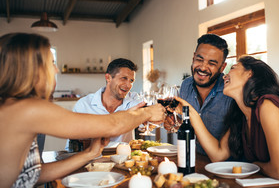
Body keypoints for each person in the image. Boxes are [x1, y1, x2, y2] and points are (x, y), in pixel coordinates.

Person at [0, 32, 165, 188]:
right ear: (29, 69)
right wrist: (147, 112)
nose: (56, 70)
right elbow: (112, 125)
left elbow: (32, 175)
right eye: (51, 63)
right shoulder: (26, 110)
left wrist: (89, 154)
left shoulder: (13, 107)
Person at [177, 56, 279, 187]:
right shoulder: (241, 115)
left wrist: (253, 166)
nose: (224, 76)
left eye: (233, 68)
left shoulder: (268, 106)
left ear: (250, 73)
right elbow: (218, 155)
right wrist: (191, 113)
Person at [65, 58, 142, 150]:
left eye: (131, 81)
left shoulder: (133, 99)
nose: (128, 85)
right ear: (108, 78)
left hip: (123, 160)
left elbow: (147, 114)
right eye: (124, 78)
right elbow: (71, 145)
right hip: (90, 160)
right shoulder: (84, 104)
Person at [179, 34, 234, 155]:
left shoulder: (230, 93)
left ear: (222, 67)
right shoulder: (185, 86)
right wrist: (172, 122)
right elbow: (181, 123)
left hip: (225, 168)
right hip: (195, 160)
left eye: (212, 63)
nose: (203, 67)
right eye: (199, 59)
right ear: (193, 58)